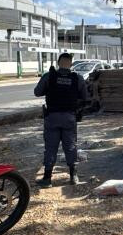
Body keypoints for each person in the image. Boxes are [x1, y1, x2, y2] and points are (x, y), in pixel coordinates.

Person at [34, 53, 87, 187]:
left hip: (52, 117)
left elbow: (37, 92)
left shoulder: (49, 76)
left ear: (58, 63)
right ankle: (73, 176)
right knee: (70, 146)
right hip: (69, 117)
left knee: (51, 147)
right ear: (70, 64)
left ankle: (47, 178)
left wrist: (49, 85)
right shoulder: (77, 78)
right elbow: (85, 96)